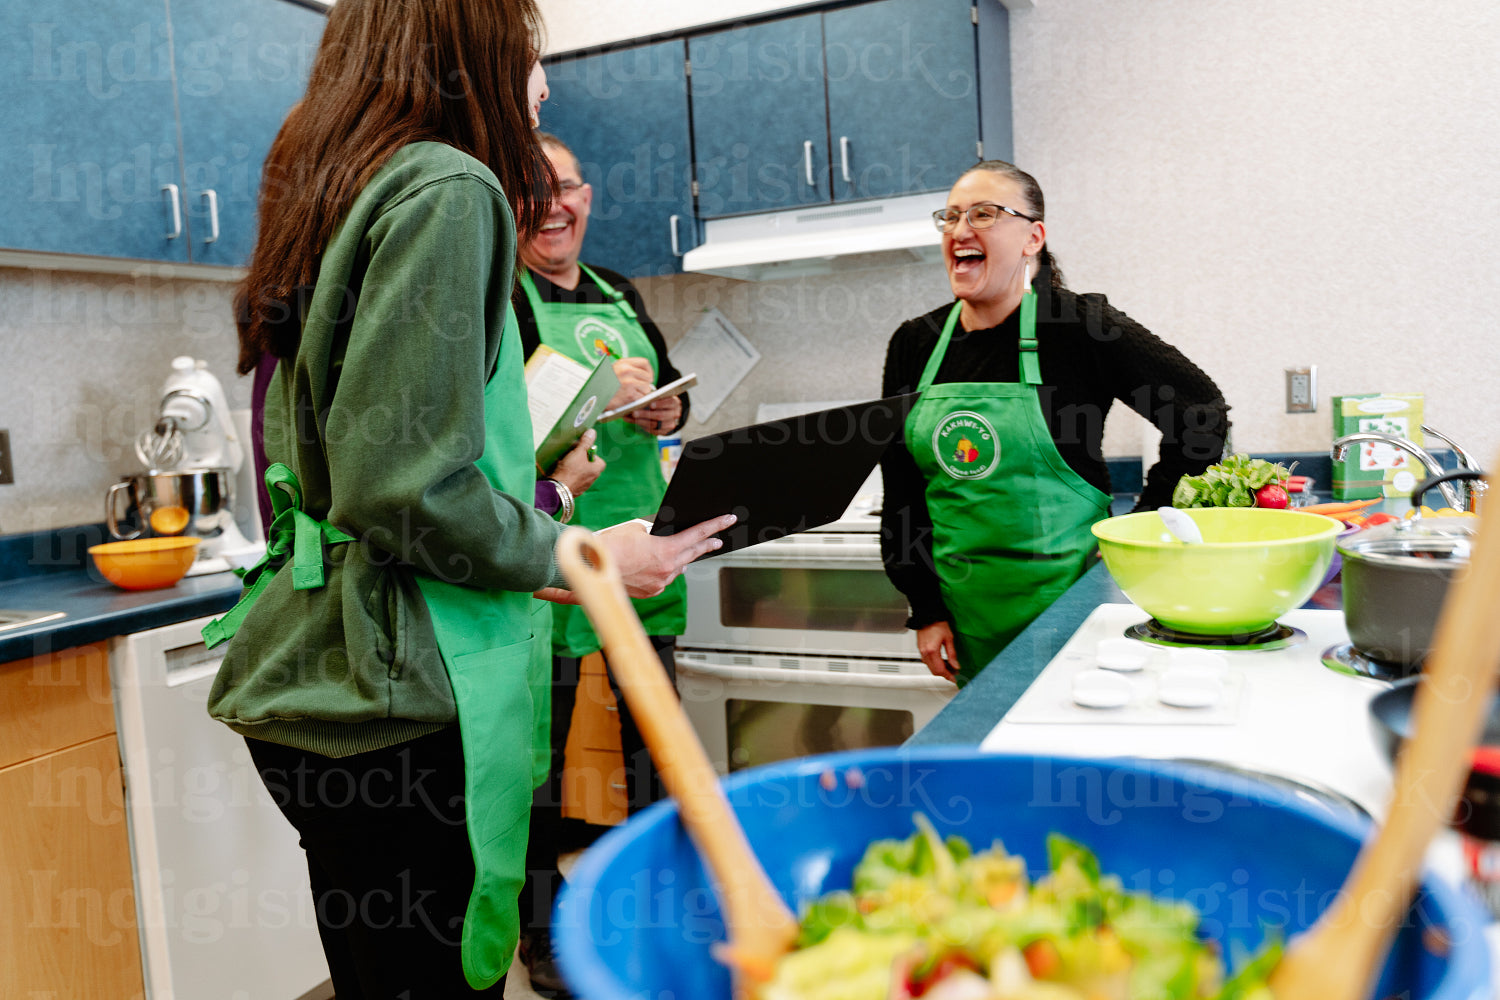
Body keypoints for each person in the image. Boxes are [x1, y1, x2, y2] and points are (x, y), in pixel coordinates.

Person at [202, 2, 732, 996]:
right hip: (402, 699)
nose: (543, 84)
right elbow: (406, 488)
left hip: (327, 684)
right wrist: (580, 557)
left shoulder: (337, 186)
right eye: (534, 55)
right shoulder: (450, 186)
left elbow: (364, 479)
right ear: (476, 51)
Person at [881, 160, 1229, 685]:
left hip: (1076, 611)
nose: (959, 230)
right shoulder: (916, 342)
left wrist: (1145, 526)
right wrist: (925, 609)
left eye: (984, 214)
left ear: (1032, 238)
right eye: (950, 217)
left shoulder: (1079, 328)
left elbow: (1201, 413)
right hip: (965, 617)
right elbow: (903, 486)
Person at [510, 133, 689, 995]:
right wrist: (588, 404)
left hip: (641, 552)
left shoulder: (621, 291)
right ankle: (540, 932)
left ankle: (666, 908)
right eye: (535, 187)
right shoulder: (497, 299)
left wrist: (662, 411)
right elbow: (493, 440)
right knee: (535, 764)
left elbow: (676, 395)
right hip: (544, 552)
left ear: (586, 198)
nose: (555, 202)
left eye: (568, 186)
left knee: (659, 746)